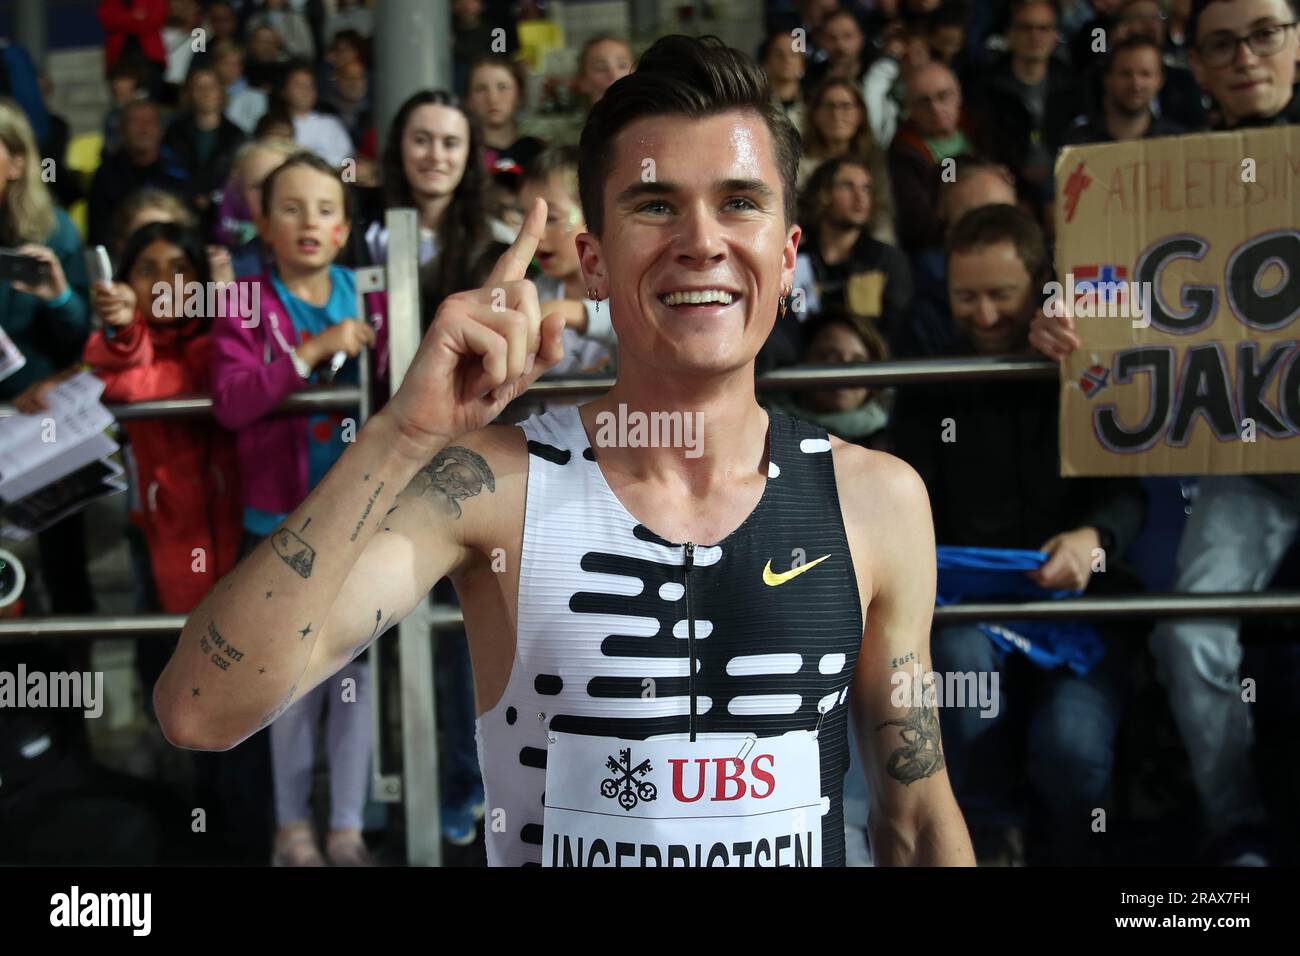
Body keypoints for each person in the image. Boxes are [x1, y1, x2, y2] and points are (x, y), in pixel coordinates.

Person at [155, 34, 975, 869]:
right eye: (655, 205)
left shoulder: (876, 498)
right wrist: (401, 436)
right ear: (592, 263)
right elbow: (201, 708)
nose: (700, 240)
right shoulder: (495, 488)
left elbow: (916, 817)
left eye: (739, 202)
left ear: (788, 253)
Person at [1029, 0, 1300, 865]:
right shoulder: (1154, 174)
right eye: (1221, 43)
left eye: (1265, 34)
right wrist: (1064, 313)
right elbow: (1118, 298)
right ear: (1198, 60)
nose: (1245, 57)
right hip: (1244, 462)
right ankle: (1238, 826)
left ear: (1298, 41)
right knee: (1187, 630)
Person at [893, 205, 1147, 864]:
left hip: (1083, 609)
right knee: (961, 676)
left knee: (1072, 748)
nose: (983, 315)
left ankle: (1074, 854)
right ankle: (989, 839)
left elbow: (1129, 489)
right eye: (965, 297)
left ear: (1040, 285)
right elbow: (905, 497)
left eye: (1001, 295)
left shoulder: (1088, 364)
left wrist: (1093, 539)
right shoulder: (931, 377)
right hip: (971, 609)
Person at [208, 151, 386, 866]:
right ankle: (292, 829)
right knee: (283, 682)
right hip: (278, 526)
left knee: (353, 682)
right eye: (290, 208)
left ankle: (345, 826)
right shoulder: (243, 301)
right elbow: (230, 402)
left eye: (323, 209)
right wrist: (309, 352)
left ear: (343, 230)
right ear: (263, 224)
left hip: (358, 523)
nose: (308, 221)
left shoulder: (368, 293)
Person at [82, 222, 242, 614]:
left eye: (179, 268)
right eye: (147, 270)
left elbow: (209, 373)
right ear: (125, 283)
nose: (164, 283)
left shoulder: (220, 334)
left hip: (236, 501)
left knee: (244, 621)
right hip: (164, 512)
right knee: (182, 631)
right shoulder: (123, 341)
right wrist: (122, 325)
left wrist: (228, 304)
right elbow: (114, 367)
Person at [0, 100, 95, 616]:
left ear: (17, 163)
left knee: (65, 573)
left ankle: (75, 687)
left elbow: (84, 342)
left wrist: (58, 296)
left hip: (42, 423)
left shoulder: (54, 230)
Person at [792, 157, 913, 341]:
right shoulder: (796, 259)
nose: (860, 196)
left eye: (866, 188)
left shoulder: (887, 260)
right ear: (822, 193)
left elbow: (896, 329)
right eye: (847, 186)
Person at [763, 310, 894, 452]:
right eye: (830, 358)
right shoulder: (763, 426)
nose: (845, 373)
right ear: (804, 360)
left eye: (858, 362)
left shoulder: (890, 442)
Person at [888, 61, 983, 252]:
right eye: (924, 101)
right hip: (941, 247)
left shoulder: (983, 130)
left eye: (943, 96)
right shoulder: (903, 153)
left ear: (959, 94)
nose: (936, 108)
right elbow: (918, 222)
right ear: (910, 109)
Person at [799, 79, 897, 244]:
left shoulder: (875, 160)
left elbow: (882, 211)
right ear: (815, 114)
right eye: (829, 106)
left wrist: (882, 255)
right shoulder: (797, 160)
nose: (837, 115)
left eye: (846, 106)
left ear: (860, 115)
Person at [87, 99, 190, 248]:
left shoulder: (178, 172)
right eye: (135, 122)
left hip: (172, 257)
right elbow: (99, 233)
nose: (143, 129)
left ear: (160, 130)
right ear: (122, 129)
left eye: (150, 122)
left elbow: (188, 228)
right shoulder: (106, 175)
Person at [163, 65, 247, 238]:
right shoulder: (174, 133)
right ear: (190, 94)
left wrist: (214, 197)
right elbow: (169, 167)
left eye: (211, 86)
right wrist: (192, 195)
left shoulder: (236, 135)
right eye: (199, 87)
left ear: (220, 92)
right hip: (183, 212)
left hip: (223, 215)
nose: (206, 92)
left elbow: (238, 175)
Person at [1064, 34, 1188, 143]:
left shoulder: (1176, 141)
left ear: (1160, 80)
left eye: (1145, 74)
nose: (1136, 84)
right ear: (1107, 79)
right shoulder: (1078, 141)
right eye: (1125, 74)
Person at [278, 61, 353, 168]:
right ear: (284, 91)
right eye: (299, 85)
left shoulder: (331, 124)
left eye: (310, 85)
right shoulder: (275, 124)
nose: (306, 91)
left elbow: (349, 160)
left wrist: (348, 182)